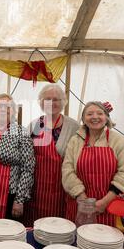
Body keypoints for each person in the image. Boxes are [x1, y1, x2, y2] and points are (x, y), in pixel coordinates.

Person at [62, 101, 124, 226]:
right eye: (89, 114)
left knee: (108, 241)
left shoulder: (118, 140)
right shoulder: (75, 141)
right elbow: (67, 170)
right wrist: (82, 199)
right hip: (80, 205)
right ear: (83, 119)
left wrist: (104, 202)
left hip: (112, 205)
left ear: (106, 117)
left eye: (100, 113)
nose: (95, 117)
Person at [22, 84, 80, 227]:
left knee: (57, 227)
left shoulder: (73, 126)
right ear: (41, 102)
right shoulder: (34, 125)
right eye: (47, 99)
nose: (52, 103)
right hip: (36, 188)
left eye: (56, 99)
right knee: (35, 227)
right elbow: (25, 157)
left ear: (63, 102)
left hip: (61, 190)